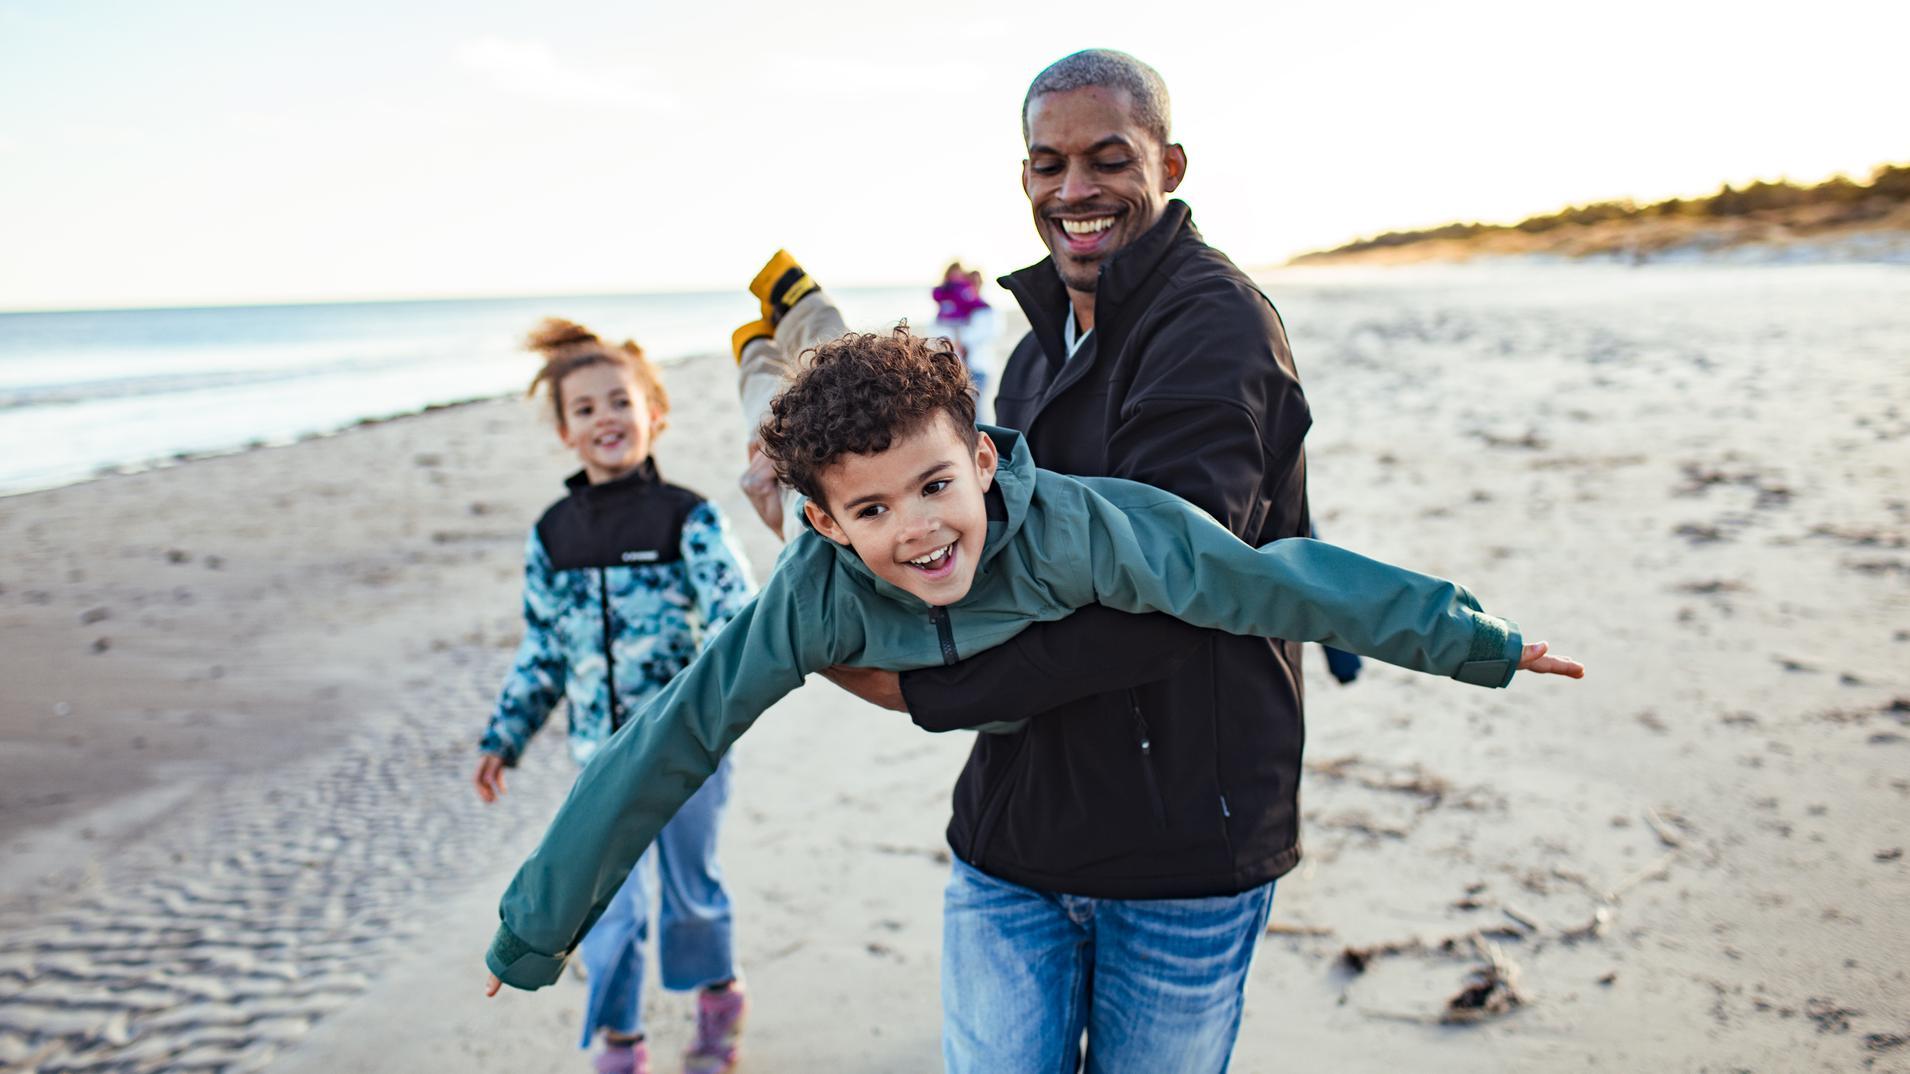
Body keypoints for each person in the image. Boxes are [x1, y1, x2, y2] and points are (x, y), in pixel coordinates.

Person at [480, 310, 1584, 1004]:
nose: (921, 529)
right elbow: (666, 740)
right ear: (833, 526)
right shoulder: (810, 586)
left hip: (1021, 675)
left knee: (831, 407)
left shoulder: (1080, 530)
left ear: (984, 459)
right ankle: (773, 343)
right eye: (872, 509)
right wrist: (534, 930)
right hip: (834, 561)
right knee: (771, 434)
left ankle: (802, 319)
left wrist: (1469, 639)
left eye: (936, 485)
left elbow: (1267, 581)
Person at [799, 48, 1389, 1072]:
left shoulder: (1215, 327)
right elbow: (981, 557)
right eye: (1047, 164)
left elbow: (1177, 593)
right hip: (1016, 829)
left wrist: (931, 690)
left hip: (1181, 844)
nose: (1073, 189)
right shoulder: (1036, 347)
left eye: (1107, 159)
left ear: (1169, 164)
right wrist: (827, 529)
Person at [473, 318, 754, 1074]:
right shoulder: (552, 534)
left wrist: (718, 707)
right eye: (586, 408)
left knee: (691, 893)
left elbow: (738, 617)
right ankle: (621, 1042)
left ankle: (718, 1004)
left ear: (654, 414)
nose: (606, 418)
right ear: (566, 432)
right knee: (609, 909)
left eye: (620, 402)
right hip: (598, 759)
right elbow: (543, 649)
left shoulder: (687, 516)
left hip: (687, 751)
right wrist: (504, 736)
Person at [930, 262, 998, 416]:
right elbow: (938, 331)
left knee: (975, 410)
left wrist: (961, 337)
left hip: (979, 366)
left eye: (976, 282)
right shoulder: (956, 307)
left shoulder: (986, 309)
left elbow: (988, 333)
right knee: (960, 410)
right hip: (957, 366)